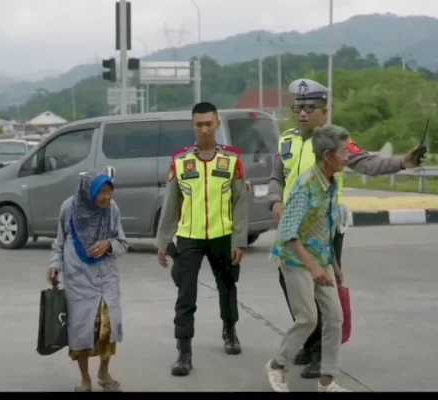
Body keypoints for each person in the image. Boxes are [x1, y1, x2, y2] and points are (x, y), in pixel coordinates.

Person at [268, 79, 425, 379]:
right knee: (296, 294)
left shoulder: (335, 141)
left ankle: (321, 356)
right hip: (290, 231)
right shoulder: (286, 140)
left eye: (309, 108)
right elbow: (276, 177)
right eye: (298, 107)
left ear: (324, 111)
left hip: (321, 230)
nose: (302, 114)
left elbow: (368, 163)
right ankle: (307, 343)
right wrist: (275, 202)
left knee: (324, 291)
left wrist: (402, 163)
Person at [155, 101, 249, 377]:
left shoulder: (231, 160)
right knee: (186, 295)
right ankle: (183, 352)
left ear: (218, 124)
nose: (205, 129)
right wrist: (163, 241)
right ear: (192, 125)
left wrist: (239, 241)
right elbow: (171, 203)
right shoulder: (181, 162)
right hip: (189, 238)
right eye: (199, 124)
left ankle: (230, 331)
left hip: (223, 236)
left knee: (227, 287)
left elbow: (241, 201)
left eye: (209, 123)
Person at [266, 124, 351, 393]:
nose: (347, 157)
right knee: (307, 319)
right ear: (327, 155)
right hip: (295, 259)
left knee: (335, 317)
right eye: (343, 152)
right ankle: (277, 365)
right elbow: (288, 233)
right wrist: (313, 267)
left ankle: (327, 380)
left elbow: (327, 227)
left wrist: (334, 265)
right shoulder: (306, 186)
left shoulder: (332, 182)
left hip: (321, 258)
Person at [46, 170, 128, 392]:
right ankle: (85, 379)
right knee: (82, 331)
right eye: (101, 192)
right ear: (88, 191)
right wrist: (55, 265)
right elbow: (60, 243)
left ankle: (104, 370)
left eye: (109, 192)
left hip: (106, 279)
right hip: (78, 280)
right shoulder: (69, 208)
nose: (105, 198)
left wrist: (108, 244)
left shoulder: (112, 210)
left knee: (108, 327)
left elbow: (122, 243)